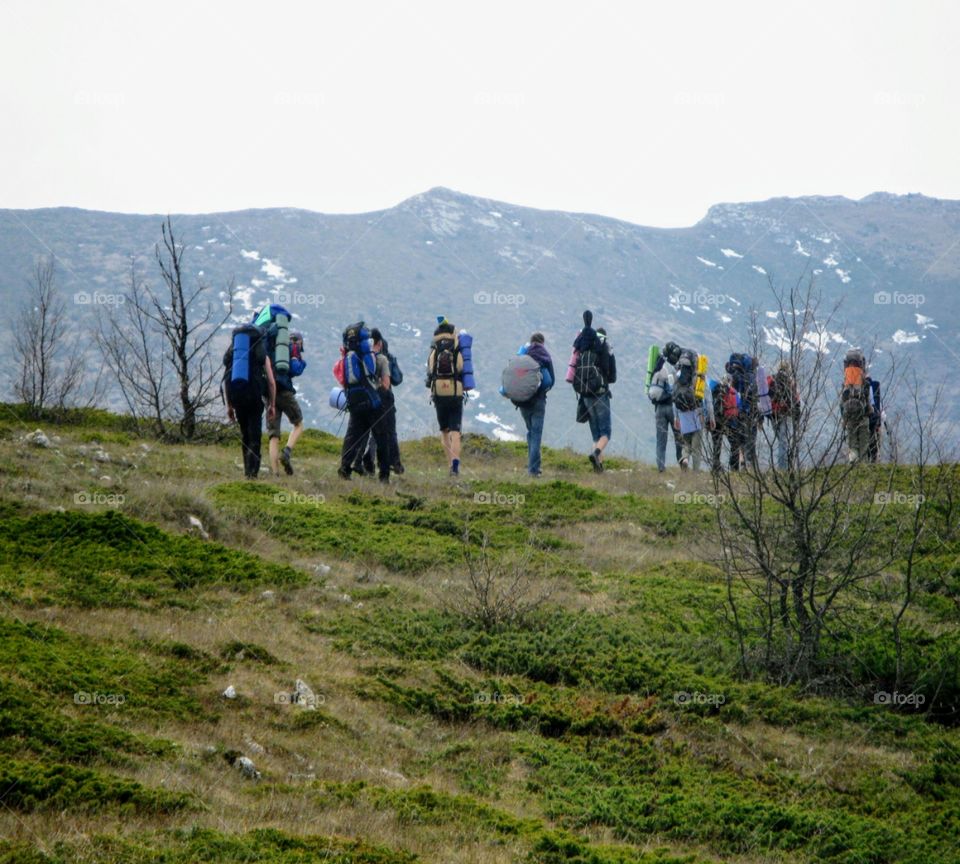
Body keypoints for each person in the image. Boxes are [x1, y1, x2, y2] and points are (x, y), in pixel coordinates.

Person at [338, 322, 392, 483]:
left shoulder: (348, 358)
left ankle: (344, 468)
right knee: (382, 437)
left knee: (352, 436)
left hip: (355, 402)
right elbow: (380, 378)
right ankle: (384, 476)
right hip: (372, 403)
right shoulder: (374, 357)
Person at [223, 325, 277, 479]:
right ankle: (252, 474)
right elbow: (272, 382)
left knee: (245, 434)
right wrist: (272, 405)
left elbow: (227, 380)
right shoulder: (261, 356)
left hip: (237, 398)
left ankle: (247, 471)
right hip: (254, 398)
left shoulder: (234, 356)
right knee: (255, 435)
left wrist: (229, 405)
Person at [353, 329, 403, 476]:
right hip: (383, 400)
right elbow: (392, 382)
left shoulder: (361, 355)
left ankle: (357, 462)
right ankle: (389, 467)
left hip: (364, 399)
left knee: (366, 432)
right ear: (380, 343)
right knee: (386, 434)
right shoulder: (383, 357)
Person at [572, 311, 615, 472]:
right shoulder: (603, 349)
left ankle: (599, 468)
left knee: (596, 433)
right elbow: (612, 376)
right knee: (606, 432)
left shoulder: (583, 349)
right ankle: (596, 453)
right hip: (600, 394)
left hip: (585, 396)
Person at [426, 318, 466, 476]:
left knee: (444, 431)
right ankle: (456, 467)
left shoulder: (434, 350)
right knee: (456, 432)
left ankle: (449, 464)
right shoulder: (456, 348)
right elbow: (461, 367)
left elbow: (430, 370)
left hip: (439, 394)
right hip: (455, 393)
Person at [268, 330, 306, 476]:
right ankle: (287, 452)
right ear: (299, 342)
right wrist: (300, 360)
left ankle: (276, 474)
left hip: (270, 393)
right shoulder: (293, 350)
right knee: (298, 424)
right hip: (284, 392)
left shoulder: (275, 348)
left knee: (274, 435)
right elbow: (296, 370)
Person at [516, 332, 554, 477]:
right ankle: (533, 470)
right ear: (542, 342)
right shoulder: (546, 356)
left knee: (530, 431)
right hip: (539, 401)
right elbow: (552, 381)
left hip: (523, 401)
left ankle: (534, 466)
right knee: (536, 434)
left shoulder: (524, 356)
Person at [648, 356, 682, 472]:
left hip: (659, 410)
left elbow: (651, 397)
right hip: (672, 408)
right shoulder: (671, 372)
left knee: (661, 440)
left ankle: (661, 467)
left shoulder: (654, 375)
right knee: (678, 437)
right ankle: (682, 463)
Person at [840, 348, 873, 463]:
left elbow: (842, 402)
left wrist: (844, 419)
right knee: (864, 445)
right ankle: (863, 468)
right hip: (863, 417)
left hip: (849, 417)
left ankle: (852, 466)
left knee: (852, 444)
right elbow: (869, 401)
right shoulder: (865, 381)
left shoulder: (845, 382)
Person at [769, 362, 800, 471]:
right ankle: (783, 468)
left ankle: (784, 466)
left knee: (780, 441)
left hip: (774, 414)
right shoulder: (790, 381)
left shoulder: (772, 379)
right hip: (786, 413)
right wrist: (797, 418)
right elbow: (796, 400)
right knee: (784, 442)